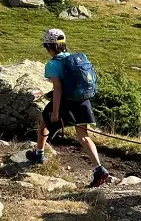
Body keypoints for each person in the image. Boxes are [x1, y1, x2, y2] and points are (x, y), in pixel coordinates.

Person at [28, 28, 110, 188]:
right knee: (83, 136)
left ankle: (39, 154)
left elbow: (57, 89)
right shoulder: (76, 59)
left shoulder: (53, 64)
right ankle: (99, 169)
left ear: (50, 47)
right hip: (82, 101)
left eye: (46, 46)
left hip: (66, 102)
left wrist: (56, 112)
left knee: (45, 119)